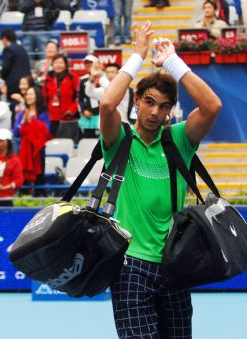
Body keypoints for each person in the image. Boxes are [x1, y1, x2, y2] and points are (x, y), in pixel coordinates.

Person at [100, 21, 221, 338]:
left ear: (171, 111)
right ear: (137, 99)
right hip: (130, 266)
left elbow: (212, 106)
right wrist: (138, 54)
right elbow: (107, 104)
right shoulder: (119, 140)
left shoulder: (178, 140)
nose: (155, 112)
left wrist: (172, 62)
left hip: (174, 266)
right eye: (149, 101)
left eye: (164, 106)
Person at [14, 86, 51, 195]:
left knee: (39, 177)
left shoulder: (44, 114)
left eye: (31, 94)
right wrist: (23, 123)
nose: (28, 97)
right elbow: (16, 131)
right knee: (23, 175)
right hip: (24, 149)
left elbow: (45, 131)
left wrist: (30, 122)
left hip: (38, 149)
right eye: (27, 94)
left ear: (38, 96)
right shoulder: (21, 114)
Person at [42, 53, 80, 137]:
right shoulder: (48, 78)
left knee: (67, 142)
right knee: (53, 142)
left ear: (65, 65)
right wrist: (48, 109)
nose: (58, 65)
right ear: (53, 64)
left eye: (61, 63)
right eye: (56, 63)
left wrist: (72, 110)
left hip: (69, 117)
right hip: (53, 117)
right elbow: (44, 96)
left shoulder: (73, 77)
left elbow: (79, 96)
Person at [0, 29, 31, 104]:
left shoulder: (8, 49)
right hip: (25, 82)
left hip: (13, 84)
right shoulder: (22, 49)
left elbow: (6, 67)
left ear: (4, 38)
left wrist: (1, 75)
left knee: (13, 107)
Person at [78, 55, 101, 138]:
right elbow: (80, 98)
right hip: (88, 115)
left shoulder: (103, 78)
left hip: (102, 114)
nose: (88, 65)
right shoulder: (83, 80)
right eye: (86, 63)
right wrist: (84, 111)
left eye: (90, 63)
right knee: (87, 140)